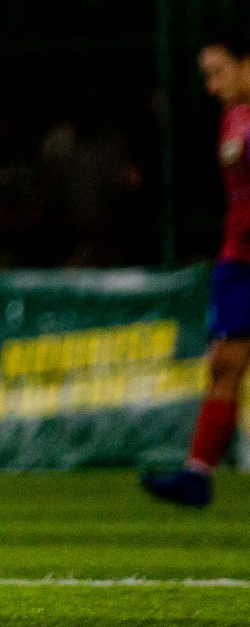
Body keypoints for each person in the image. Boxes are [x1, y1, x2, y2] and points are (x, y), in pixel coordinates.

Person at [142, 27, 250, 507]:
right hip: (239, 262)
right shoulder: (233, 118)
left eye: (217, 72)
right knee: (224, 364)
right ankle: (198, 474)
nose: (210, 85)